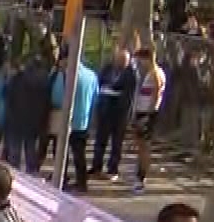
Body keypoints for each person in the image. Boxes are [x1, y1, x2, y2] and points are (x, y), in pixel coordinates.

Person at [52, 45, 99, 191]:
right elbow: (96, 96)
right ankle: (82, 182)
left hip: (66, 121)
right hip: (83, 121)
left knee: (60, 151)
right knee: (80, 154)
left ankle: (62, 178)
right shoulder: (92, 75)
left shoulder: (65, 74)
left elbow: (57, 97)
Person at [93, 45, 139, 181]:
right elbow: (99, 82)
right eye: (119, 60)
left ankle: (113, 169)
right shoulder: (108, 68)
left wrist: (114, 92)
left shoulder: (131, 74)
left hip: (119, 114)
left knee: (116, 143)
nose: (120, 63)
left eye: (123, 61)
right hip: (105, 110)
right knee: (100, 140)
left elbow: (128, 95)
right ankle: (96, 167)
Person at [131, 46, 167, 193]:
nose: (141, 63)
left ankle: (142, 177)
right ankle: (139, 172)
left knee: (144, 146)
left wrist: (150, 112)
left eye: (142, 60)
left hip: (147, 112)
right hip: (142, 110)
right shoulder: (149, 73)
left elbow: (157, 92)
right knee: (140, 145)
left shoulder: (155, 73)